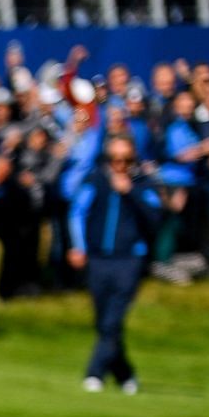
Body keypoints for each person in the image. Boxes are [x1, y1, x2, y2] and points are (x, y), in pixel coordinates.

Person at [67, 133, 161, 392]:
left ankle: (94, 373)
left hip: (129, 259)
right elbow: (77, 212)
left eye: (125, 159)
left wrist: (130, 192)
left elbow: (155, 219)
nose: (119, 164)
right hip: (98, 259)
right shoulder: (95, 180)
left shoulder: (144, 183)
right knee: (102, 322)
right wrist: (79, 246)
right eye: (114, 158)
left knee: (112, 321)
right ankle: (124, 374)